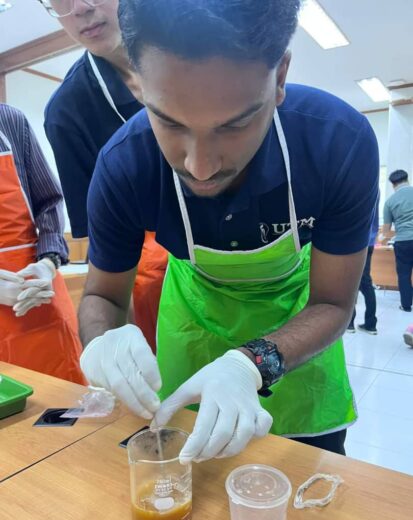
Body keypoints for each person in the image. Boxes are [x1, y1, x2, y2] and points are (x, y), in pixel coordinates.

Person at [79, 0, 379, 461]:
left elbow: (334, 302)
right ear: (138, 83)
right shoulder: (125, 164)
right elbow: (102, 296)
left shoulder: (337, 142)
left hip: (298, 323)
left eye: (236, 124)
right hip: (194, 324)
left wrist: (253, 362)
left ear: (279, 77)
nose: (200, 166)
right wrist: (103, 341)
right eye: (169, 121)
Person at [41, 0, 167, 352]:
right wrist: (124, 350)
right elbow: (106, 259)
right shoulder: (68, 113)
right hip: (156, 291)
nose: (80, 8)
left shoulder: (204, 46)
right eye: (60, 2)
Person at [0, 104, 85, 384]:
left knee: (65, 407)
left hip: (38, 293)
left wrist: (48, 263)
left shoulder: (9, 121)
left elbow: (49, 200)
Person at [382, 170, 413, 313]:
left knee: (404, 274)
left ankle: (406, 306)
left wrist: (397, 232)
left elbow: (386, 231)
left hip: (403, 242)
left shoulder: (389, 202)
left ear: (393, 184)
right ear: (407, 179)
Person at [347, 202, 379, 334]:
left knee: (349, 282)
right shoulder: (375, 189)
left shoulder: (355, 184)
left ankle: (349, 323)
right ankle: (371, 324)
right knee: (366, 282)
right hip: (370, 241)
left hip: (354, 241)